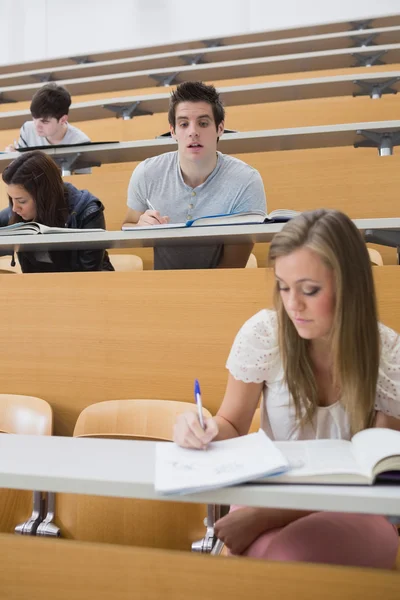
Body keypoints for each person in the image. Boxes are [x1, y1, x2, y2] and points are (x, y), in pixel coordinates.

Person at [173, 209, 400, 569]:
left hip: (354, 505)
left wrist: (268, 516)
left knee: (284, 558)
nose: (292, 304)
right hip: (268, 489)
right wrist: (203, 428)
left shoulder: (387, 353)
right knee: (274, 562)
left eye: (310, 290)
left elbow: (375, 476)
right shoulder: (265, 334)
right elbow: (231, 423)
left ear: (350, 286)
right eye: (283, 286)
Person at [123, 81, 267, 270]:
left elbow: (233, 263)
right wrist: (140, 227)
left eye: (203, 123)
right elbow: (128, 224)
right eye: (184, 124)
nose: (193, 132)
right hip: (163, 287)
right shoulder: (146, 172)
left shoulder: (246, 181)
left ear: (220, 128)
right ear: (173, 131)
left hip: (220, 288)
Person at [0, 151, 113, 273]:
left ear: (44, 196)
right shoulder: (15, 214)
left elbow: (90, 274)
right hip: (39, 287)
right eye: (11, 199)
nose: (15, 208)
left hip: (89, 285)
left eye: (21, 201)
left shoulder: (87, 211)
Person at [5, 83, 90, 152]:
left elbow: (83, 174)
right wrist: (12, 159)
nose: (37, 126)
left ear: (63, 120)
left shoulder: (81, 142)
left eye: (45, 122)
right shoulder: (27, 129)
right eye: (34, 118)